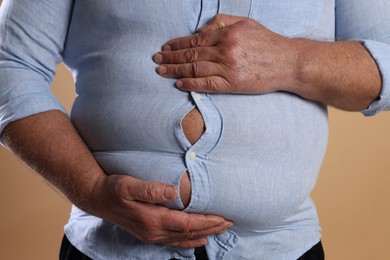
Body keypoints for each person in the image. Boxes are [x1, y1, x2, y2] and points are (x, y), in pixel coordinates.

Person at [0, 0, 389, 259]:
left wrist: (291, 60)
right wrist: (92, 191)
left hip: (282, 249)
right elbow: (10, 65)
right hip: (108, 247)